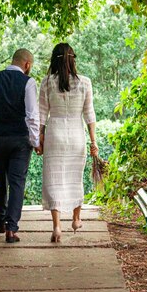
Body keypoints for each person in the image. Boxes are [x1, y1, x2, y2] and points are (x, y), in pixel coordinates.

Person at [0, 48, 41, 243]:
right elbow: (32, 116)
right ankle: (11, 229)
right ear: (27, 64)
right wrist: (35, 141)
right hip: (20, 140)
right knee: (17, 183)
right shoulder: (28, 83)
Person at [39, 43, 98, 243]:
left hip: (54, 134)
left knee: (53, 179)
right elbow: (90, 115)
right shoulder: (85, 83)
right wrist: (94, 142)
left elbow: (41, 114)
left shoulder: (47, 82)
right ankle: (76, 219)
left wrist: (39, 137)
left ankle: (56, 227)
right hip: (76, 135)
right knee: (75, 177)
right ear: (73, 59)